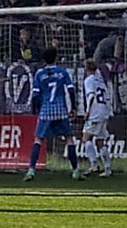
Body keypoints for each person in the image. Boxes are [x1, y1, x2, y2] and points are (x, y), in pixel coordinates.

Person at [24, 48, 84, 181]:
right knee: (69, 138)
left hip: (46, 110)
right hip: (60, 110)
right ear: (56, 58)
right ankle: (75, 171)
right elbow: (71, 90)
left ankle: (31, 170)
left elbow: (35, 95)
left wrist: (38, 109)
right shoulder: (62, 73)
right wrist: (73, 107)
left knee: (38, 139)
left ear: (44, 59)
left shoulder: (39, 73)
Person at [81, 59, 113, 177]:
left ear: (86, 69)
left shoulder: (88, 80)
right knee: (100, 141)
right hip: (104, 112)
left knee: (86, 138)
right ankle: (108, 169)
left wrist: (88, 110)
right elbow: (108, 98)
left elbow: (91, 95)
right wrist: (109, 113)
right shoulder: (101, 81)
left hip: (95, 112)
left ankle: (94, 165)